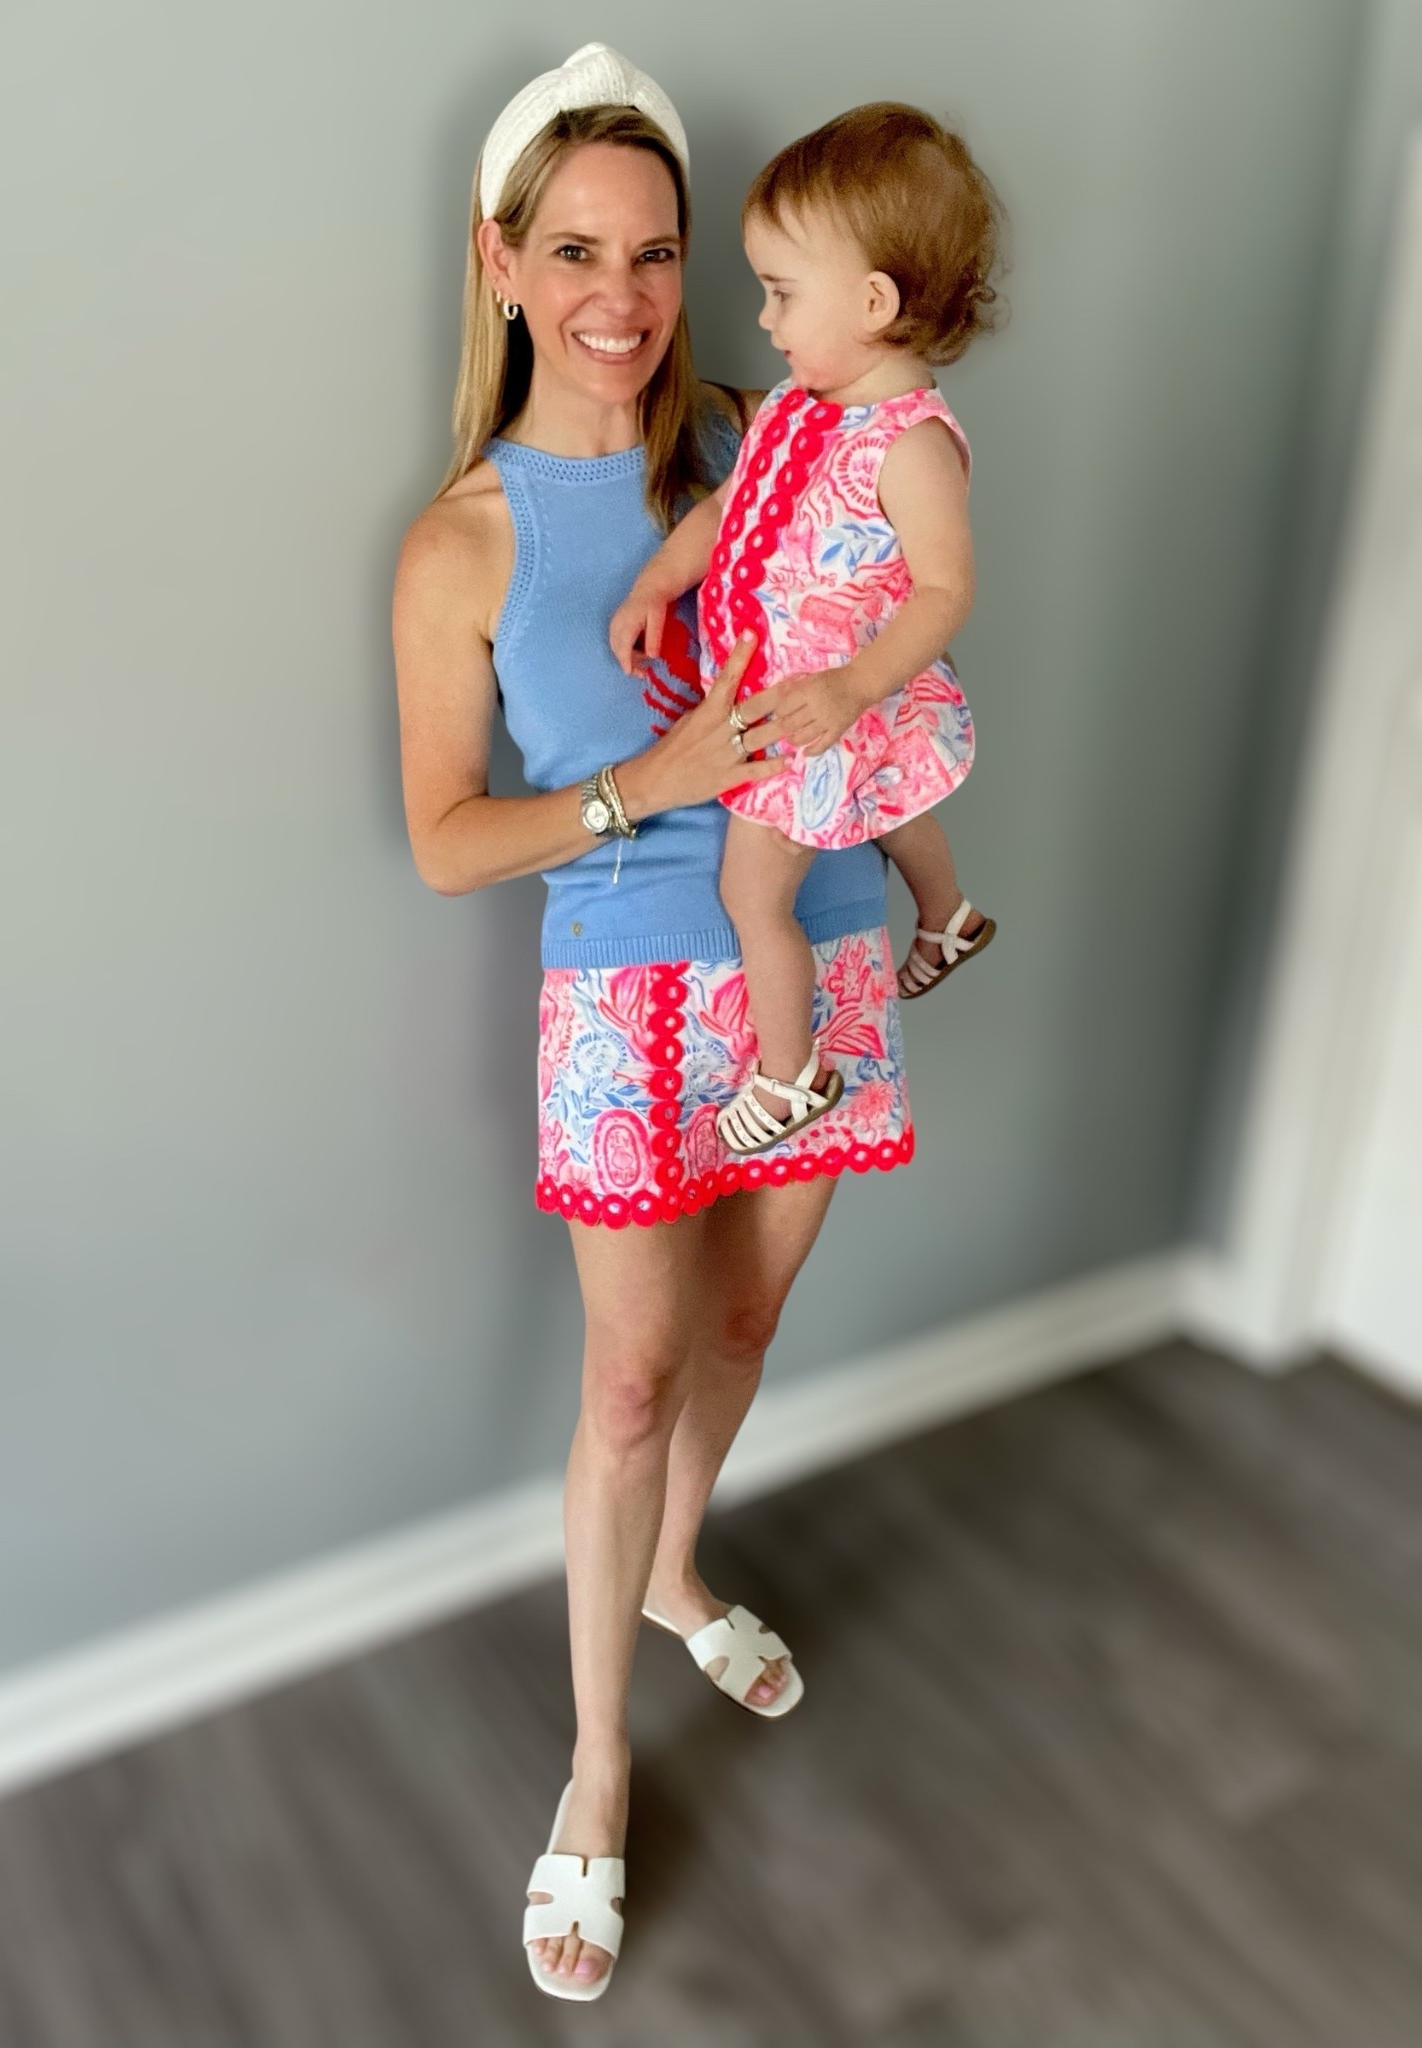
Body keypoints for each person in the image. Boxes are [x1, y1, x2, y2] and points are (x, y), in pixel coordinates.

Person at [393, 45, 921, 2003]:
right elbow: (452, 841)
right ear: (502, 260)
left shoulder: (773, 438)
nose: (621, 295)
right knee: (625, 1387)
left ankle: (684, 1574)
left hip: (829, 931)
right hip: (625, 987)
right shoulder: (465, 538)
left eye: (659, 252)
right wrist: (651, 775)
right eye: (575, 250)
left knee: (746, 1324)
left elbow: (908, 607)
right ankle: (601, 1768)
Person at [613, 104, 1002, 1157]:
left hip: (823, 705)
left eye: (783, 292)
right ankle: (950, 916)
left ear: (875, 302)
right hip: (816, 698)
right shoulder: (797, 404)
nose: (767, 318)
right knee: (897, 797)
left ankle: (789, 1075)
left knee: (753, 889)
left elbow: (945, 591)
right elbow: (729, 509)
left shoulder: (909, 445)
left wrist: (854, 688)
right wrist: (660, 578)